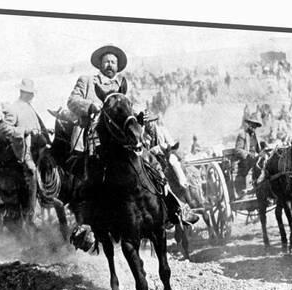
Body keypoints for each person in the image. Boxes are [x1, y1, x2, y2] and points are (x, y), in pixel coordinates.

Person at [67, 45, 198, 225]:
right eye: (106, 61)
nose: (110, 65)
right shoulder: (87, 81)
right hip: (95, 140)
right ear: (100, 64)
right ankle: (88, 226)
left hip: (123, 140)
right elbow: (72, 101)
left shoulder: (122, 85)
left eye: (113, 62)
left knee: (153, 164)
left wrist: (141, 116)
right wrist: (90, 106)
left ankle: (176, 206)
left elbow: (132, 109)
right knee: (90, 181)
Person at [0, 79, 47, 224]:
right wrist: (23, 131)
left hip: (39, 146)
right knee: (31, 172)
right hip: (25, 150)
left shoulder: (30, 108)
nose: (31, 96)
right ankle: (31, 212)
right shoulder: (14, 108)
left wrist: (44, 131)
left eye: (31, 93)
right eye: (28, 93)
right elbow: (4, 128)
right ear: (22, 92)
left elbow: (37, 125)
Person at [234, 117, 263, 198]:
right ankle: (244, 191)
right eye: (252, 125)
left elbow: (259, 149)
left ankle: (262, 189)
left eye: (255, 126)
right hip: (245, 160)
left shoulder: (256, 136)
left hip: (255, 159)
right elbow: (238, 150)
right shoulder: (242, 134)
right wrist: (248, 154)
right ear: (248, 124)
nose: (253, 128)